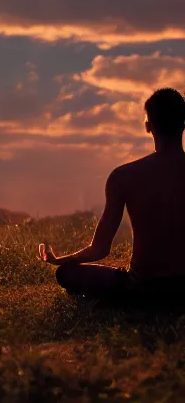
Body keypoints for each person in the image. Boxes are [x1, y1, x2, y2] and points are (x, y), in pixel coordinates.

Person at [39, 87, 185, 302]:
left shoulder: (124, 176)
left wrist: (60, 260)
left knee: (67, 274)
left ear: (148, 126)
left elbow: (99, 249)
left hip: (141, 289)